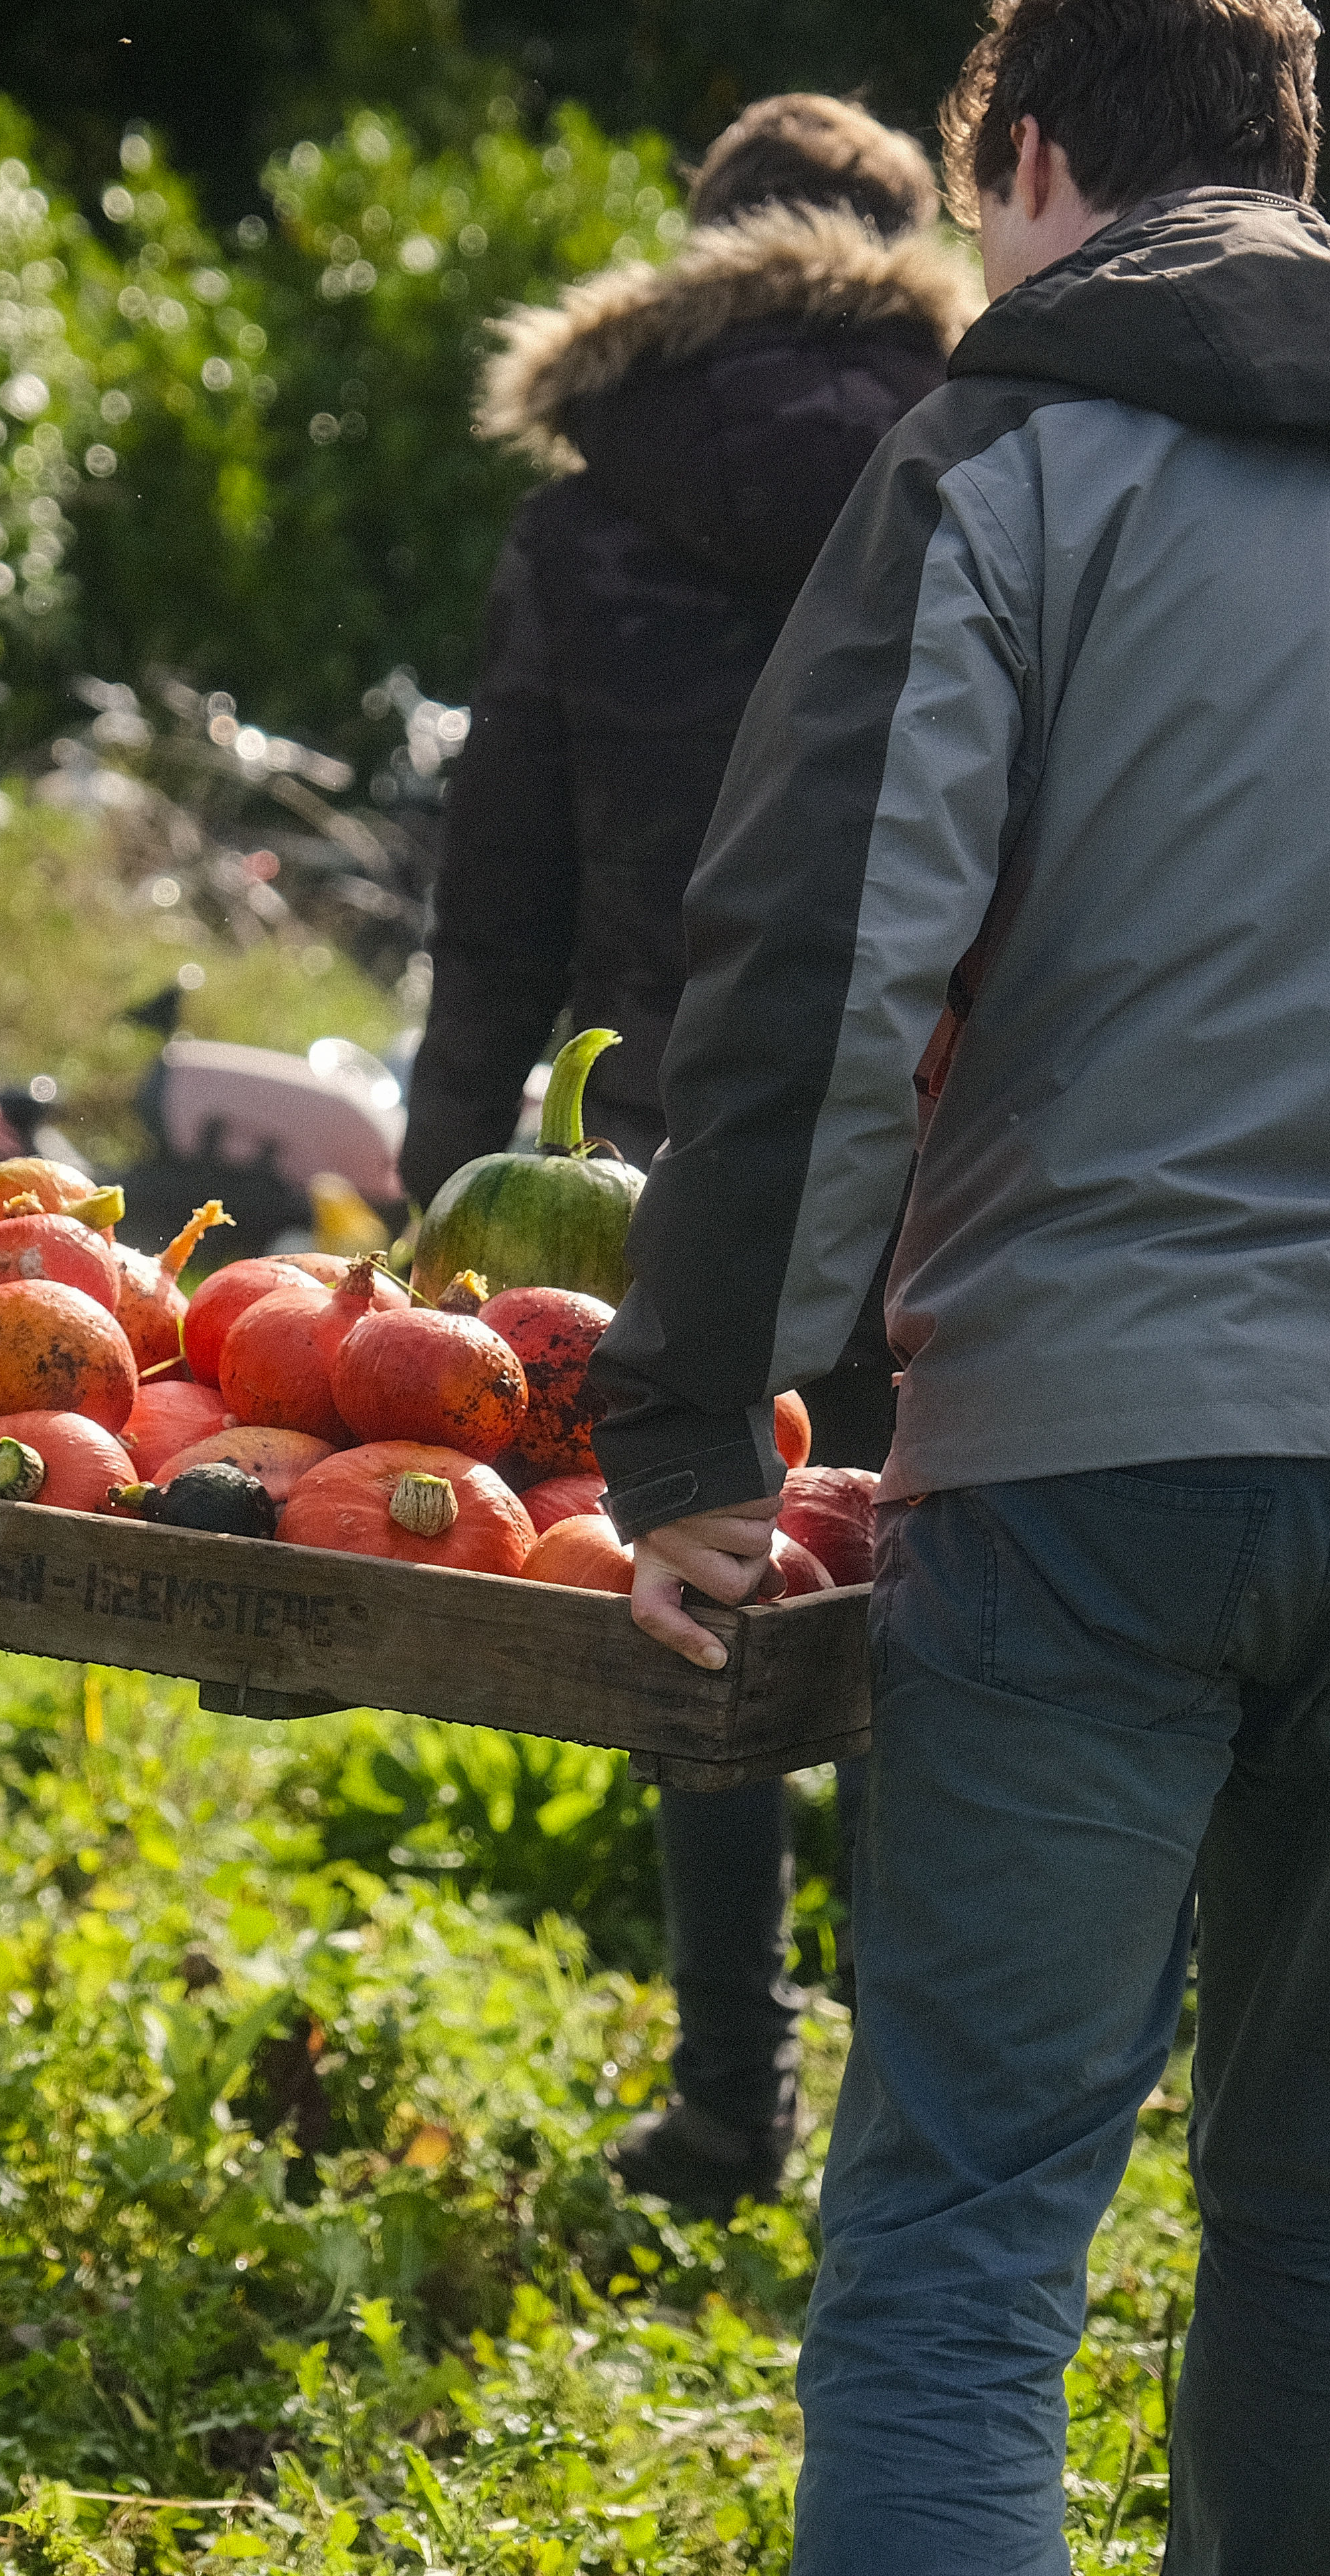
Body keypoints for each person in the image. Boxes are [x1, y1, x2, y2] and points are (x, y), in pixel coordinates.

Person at [588, 0, 1330, 2576]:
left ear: (1025, 160)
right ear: (1294, 167)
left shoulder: (1000, 462)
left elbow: (820, 958)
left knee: (966, 2218)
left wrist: (699, 1427)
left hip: (1105, 1448)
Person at [403, 91, 974, 2214]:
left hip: (663, 1146)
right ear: (910, 246)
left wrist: (449, 1185)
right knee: (944, 1596)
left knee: (699, 1578)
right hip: (951, 1126)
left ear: (693, 252)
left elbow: (503, 901)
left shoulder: (586, 513)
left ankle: (730, 2096)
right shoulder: (998, 472)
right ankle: (920, 2117)